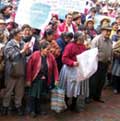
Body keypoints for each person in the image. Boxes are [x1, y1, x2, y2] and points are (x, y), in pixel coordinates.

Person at [26, 41, 59, 117]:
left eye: (49, 49)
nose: (49, 51)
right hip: (35, 79)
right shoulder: (35, 55)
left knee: (40, 95)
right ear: (42, 49)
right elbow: (29, 68)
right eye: (47, 49)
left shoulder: (50, 56)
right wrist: (28, 80)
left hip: (45, 79)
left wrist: (56, 79)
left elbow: (55, 68)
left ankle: (38, 109)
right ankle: (32, 110)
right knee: (33, 95)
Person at [2, 28, 30, 116]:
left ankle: (18, 106)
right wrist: (23, 50)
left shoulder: (22, 43)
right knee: (8, 91)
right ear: (15, 35)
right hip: (11, 72)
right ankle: (5, 107)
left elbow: (27, 54)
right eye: (20, 33)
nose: (22, 35)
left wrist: (28, 50)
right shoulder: (9, 44)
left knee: (19, 91)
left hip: (21, 71)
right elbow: (11, 56)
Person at [59, 31, 87, 112]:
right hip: (70, 69)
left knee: (77, 88)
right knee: (68, 87)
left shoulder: (83, 46)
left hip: (78, 70)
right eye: (82, 38)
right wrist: (72, 63)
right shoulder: (70, 46)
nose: (83, 40)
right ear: (78, 38)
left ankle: (74, 105)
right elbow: (64, 58)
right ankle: (65, 103)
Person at [89, 25, 113, 103]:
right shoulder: (97, 40)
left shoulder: (110, 40)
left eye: (109, 31)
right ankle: (89, 96)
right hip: (97, 63)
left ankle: (97, 96)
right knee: (93, 81)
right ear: (102, 31)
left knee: (101, 81)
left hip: (105, 63)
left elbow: (111, 52)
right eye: (107, 31)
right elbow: (92, 53)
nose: (108, 33)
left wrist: (110, 61)